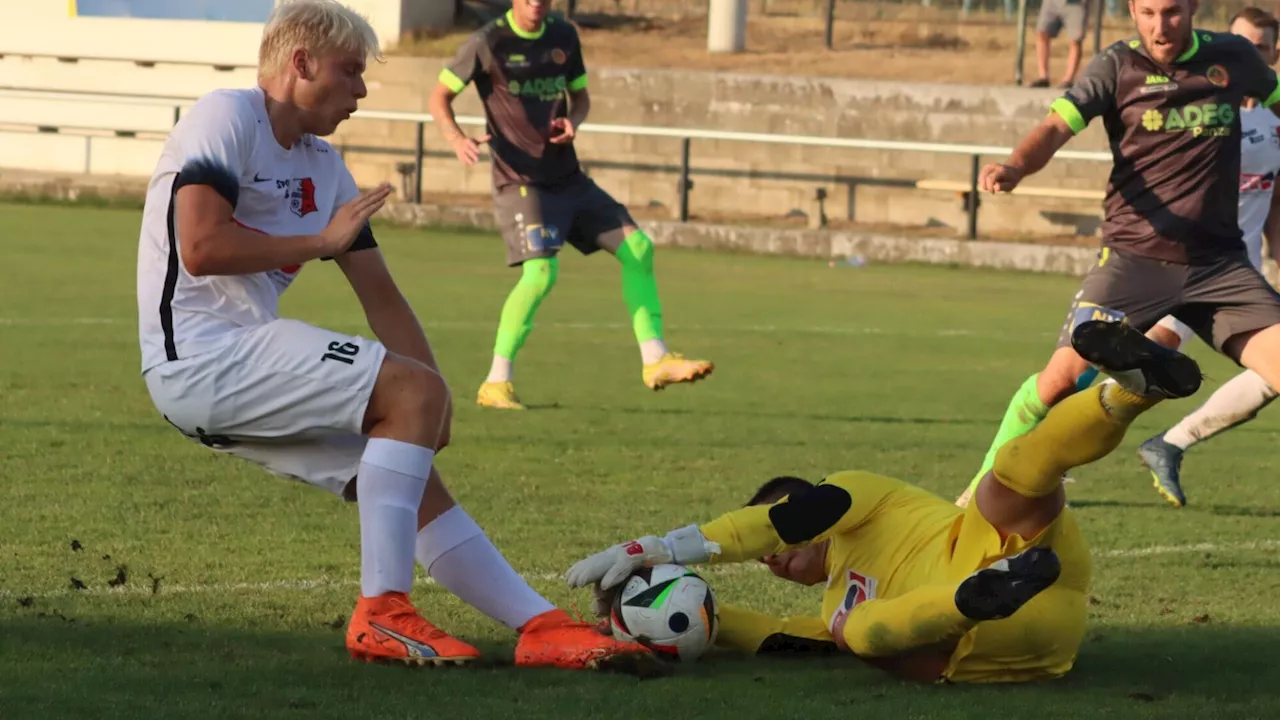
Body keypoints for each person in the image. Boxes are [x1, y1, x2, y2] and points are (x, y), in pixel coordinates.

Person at [135, 0, 650, 670]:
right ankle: (382, 611)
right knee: (404, 401)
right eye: (350, 72)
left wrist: (436, 394)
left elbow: (381, 294)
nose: (362, 89)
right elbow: (200, 245)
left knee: (412, 481)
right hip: (203, 357)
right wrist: (321, 240)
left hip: (234, 365)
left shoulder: (325, 168)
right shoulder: (227, 115)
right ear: (301, 63)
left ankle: (542, 627)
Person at [567, 319, 1203, 683]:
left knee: (1008, 472)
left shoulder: (862, 496)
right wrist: (635, 610)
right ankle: (975, 597)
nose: (774, 560)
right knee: (856, 632)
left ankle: (1132, 390)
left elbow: (778, 521)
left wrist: (654, 546)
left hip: (1006, 557)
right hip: (1000, 645)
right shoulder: (830, 608)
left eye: (781, 551)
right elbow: (763, 633)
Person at [956, 0, 1280, 509]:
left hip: (1219, 267)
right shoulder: (1116, 66)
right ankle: (977, 490)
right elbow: (1057, 127)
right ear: (1131, 9)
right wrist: (1017, 166)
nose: (1160, 25)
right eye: (1147, 12)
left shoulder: (1233, 57)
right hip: (1134, 261)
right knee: (1060, 381)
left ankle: (1143, 388)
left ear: (1192, 7)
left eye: (1171, 12)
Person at [428, 0, 713, 411]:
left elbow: (580, 97)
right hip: (522, 183)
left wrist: (573, 122)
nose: (536, 3)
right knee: (541, 273)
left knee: (639, 249)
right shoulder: (487, 42)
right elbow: (439, 96)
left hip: (568, 178)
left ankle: (655, 359)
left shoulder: (564, 35)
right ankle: (496, 381)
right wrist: (456, 138)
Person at [1137, 7, 1280, 507]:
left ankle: (1170, 444)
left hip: (1237, 280)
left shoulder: (1272, 120)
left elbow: (1273, 202)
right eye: (1238, 43)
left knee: (1271, 376)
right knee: (1132, 371)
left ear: (1272, 57)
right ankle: (1045, 459)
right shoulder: (1195, 106)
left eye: (1259, 48)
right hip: (1183, 265)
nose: (1245, 55)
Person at [1032, 0, 1089, 88]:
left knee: (1075, 39)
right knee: (1042, 32)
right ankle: (1043, 77)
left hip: (1077, 3)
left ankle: (1068, 79)